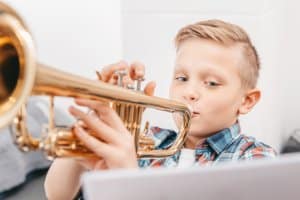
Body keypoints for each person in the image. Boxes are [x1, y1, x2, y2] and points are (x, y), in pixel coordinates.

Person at [44, 19, 276, 200]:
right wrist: (95, 120)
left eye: (212, 83)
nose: (190, 92)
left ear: (247, 101)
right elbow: (57, 194)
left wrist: (128, 180)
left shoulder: (256, 159)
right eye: (182, 78)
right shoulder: (149, 139)